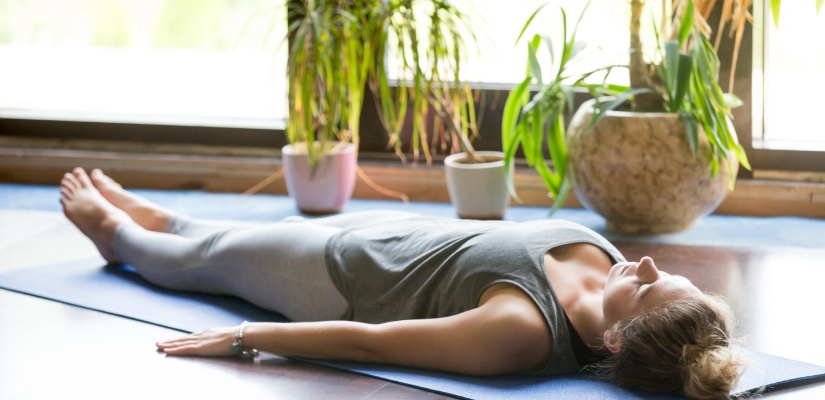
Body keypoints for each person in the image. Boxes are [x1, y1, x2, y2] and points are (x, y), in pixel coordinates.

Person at [59, 167, 742, 399]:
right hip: (389, 232)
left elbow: (377, 342)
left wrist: (245, 336)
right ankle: (157, 212)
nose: (646, 265)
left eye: (649, 287)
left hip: (335, 276)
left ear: (617, 340)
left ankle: (114, 233)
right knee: (214, 231)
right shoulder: (609, 265)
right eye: (664, 272)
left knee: (189, 259)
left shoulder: (520, 331)